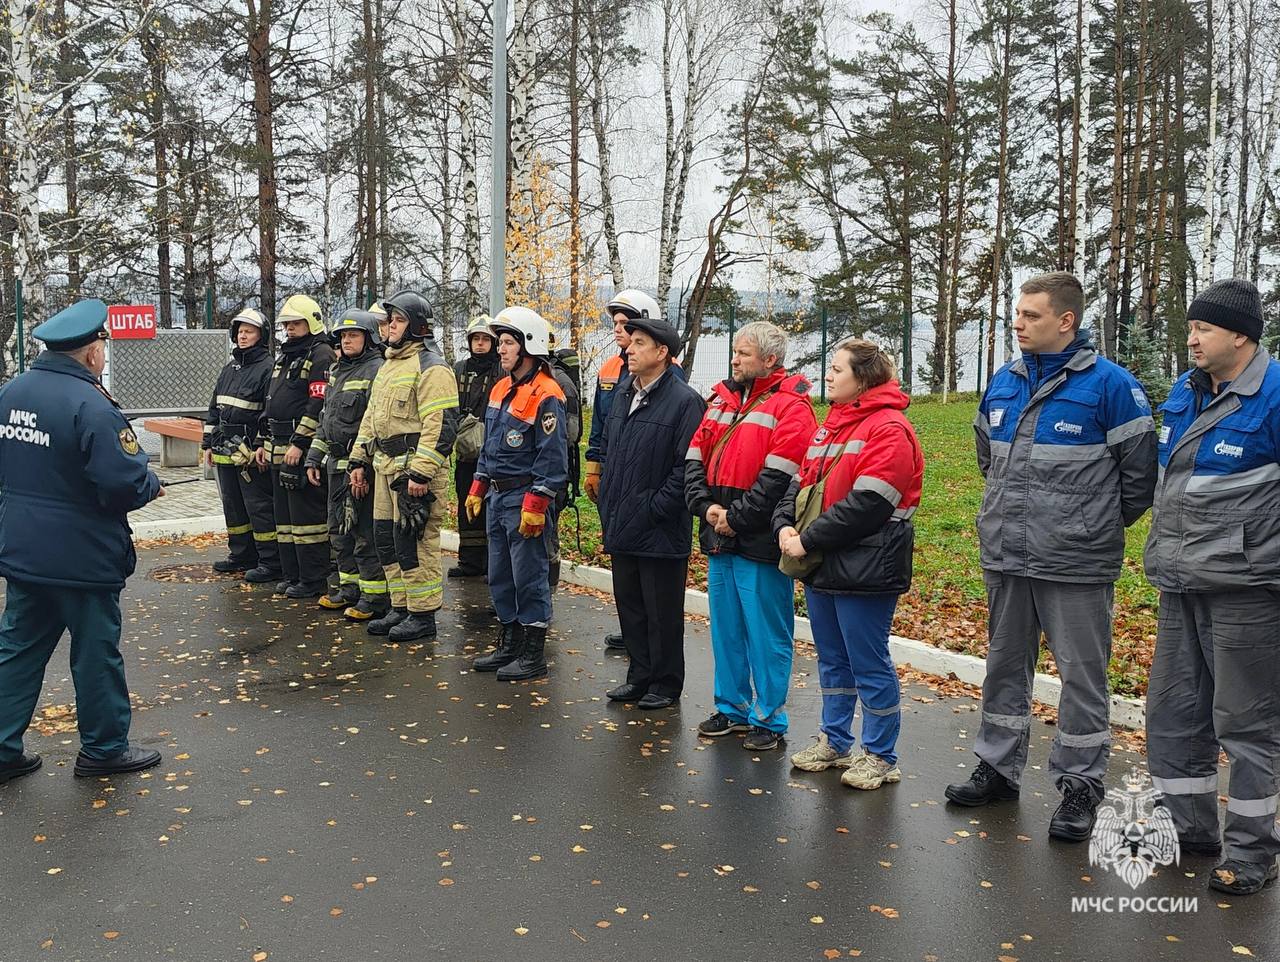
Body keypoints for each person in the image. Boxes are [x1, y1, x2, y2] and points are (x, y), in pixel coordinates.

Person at [945, 272, 1157, 841]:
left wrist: (1087, 527)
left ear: (1066, 321)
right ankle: (997, 768)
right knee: (1003, 667)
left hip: (1077, 561)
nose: (1018, 323)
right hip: (1007, 554)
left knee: (1082, 678)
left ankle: (1081, 788)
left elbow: (1139, 481)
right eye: (1017, 313)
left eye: (1032, 315)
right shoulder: (1004, 382)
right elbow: (988, 459)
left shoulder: (1111, 386)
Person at [1143, 279, 1280, 896]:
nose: (1190, 338)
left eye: (1202, 329)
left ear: (1241, 336)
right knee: (1174, 713)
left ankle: (1253, 851)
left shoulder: (1275, 397)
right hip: (1180, 580)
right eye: (1191, 327)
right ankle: (1187, 828)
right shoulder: (1186, 390)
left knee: (1246, 724)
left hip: (1247, 590)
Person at [0, 299, 165, 783]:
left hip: (24, 549)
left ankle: (2, 748)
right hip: (82, 556)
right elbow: (124, 485)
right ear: (92, 351)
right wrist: (152, 483)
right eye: (102, 347)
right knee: (95, 653)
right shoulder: (92, 405)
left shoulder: (11, 393)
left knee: (18, 649)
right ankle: (104, 749)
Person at [774, 340, 922, 789]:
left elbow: (870, 503)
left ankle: (880, 754)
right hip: (823, 563)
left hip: (867, 566)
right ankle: (835, 741)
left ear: (863, 378)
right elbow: (799, 483)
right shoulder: (831, 426)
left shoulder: (889, 429)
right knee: (834, 660)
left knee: (867, 661)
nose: (828, 375)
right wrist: (783, 524)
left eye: (837, 369)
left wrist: (806, 539)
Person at [685, 321, 815, 750]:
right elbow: (693, 460)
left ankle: (770, 718)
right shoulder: (720, 401)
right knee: (726, 629)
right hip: (720, 533)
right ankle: (732, 708)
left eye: (743, 353)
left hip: (757, 540)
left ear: (769, 359)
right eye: (735, 352)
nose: (734, 359)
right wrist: (707, 508)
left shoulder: (792, 407)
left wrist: (735, 518)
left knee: (765, 631)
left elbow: (777, 479)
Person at [597, 314, 705, 709]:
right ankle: (639, 676)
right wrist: (611, 503)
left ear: (662, 353)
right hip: (623, 522)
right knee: (632, 607)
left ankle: (665, 683)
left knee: (662, 612)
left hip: (659, 526)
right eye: (631, 342)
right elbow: (615, 453)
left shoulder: (685, 401)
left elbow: (686, 468)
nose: (629, 349)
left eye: (640, 343)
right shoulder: (624, 392)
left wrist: (654, 508)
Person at [348, 291, 458, 642]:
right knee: (386, 539)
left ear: (416, 326)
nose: (389, 327)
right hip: (384, 467)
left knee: (415, 542)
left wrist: (421, 474)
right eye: (388, 321)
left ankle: (422, 615)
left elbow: (441, 425)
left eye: (396, 321)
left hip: (413, 473)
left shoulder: (432, 366)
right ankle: (401, 606)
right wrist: (359, 459)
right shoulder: (390, 364)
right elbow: (371, 418)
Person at [465, 307, 568, 681]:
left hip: (524, 499)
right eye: (501, 343)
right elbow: (490, 446)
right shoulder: (500, 388)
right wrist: (478, 484)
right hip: (497, 497)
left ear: (529, 346)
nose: (501, 350)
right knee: (500, 575)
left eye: (508, 343)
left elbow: (553, 457)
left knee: (529, 576)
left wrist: (538, 502)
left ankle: (532, 652)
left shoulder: (547, 394)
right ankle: (508, 642)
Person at [585, 290, 667, 651]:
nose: (618, 331)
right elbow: (600, 424)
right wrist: (594, 467)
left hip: (646, 487)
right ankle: (630, 628)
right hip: (615, 479)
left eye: (626, 324)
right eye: (616, 324)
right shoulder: (609, 370)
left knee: (646, 576)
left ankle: (646, 637)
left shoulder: (667, 374)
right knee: (621, 564)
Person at [305, 309, 387, 619]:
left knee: (364, 534)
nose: (346, 339)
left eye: (353, 334)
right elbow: (326, 420)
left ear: (370, 338)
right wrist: (314, 456)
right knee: (339, 531)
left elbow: (374, 424)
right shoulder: (338, 372)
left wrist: (362, 466)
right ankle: (348, 589)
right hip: (334, 465)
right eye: (343, 335)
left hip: (360, 468)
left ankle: (373, 597)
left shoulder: (377, 370)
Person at [254, 295, 335, 599]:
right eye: (286, 324)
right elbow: (271, 400)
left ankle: (312, 579)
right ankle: (293, 575)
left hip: (298, 447)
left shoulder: (321, 354)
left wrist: (301, 443)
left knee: (306, 519)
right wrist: (263, 440)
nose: (289, 329)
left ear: (311, 322)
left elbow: (318, 403)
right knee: (284, 519)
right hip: (276, 445)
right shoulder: (286, 355)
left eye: (295, 323)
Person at [201, 308, 278, 581]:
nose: (243, 336)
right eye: (240, 331)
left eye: (249, 331)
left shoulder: (268, 368)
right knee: (233, 506)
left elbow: (268, 412)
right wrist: (208, 443)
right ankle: (241, 555)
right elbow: (215, 407)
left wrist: (260, 444)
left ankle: (269, 560)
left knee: (257, 506)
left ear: (261, 335)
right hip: (224, 451)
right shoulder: (229, 368)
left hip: (249, 453)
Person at [451, 315, 501, 578]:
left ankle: (491, 562)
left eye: (485, 339)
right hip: (465, 449)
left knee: (490, 505)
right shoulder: (459, 369)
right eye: (476, 339)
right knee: (465, 502)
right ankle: (469, 562)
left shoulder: (501, 370)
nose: (480, 344)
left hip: (492, 448)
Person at [546, 328, 583, 590]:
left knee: (548, 533)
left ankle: (547, 589)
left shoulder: (561, 384)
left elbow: (571, 433)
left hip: (555, 471)